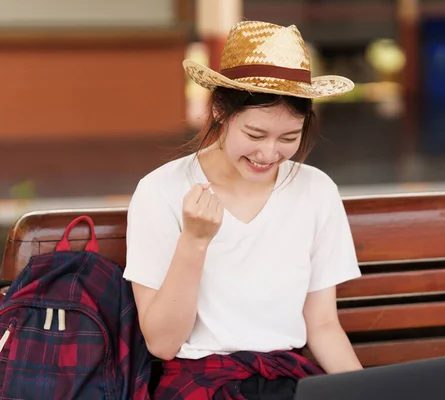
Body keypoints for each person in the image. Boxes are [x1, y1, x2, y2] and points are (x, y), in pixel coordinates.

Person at [123, 20, 363, 400]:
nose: (269, 154)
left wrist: (367, 392)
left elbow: (322, 326)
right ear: (220, 109)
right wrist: (195, 241)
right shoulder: (161, 191)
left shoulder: (316, 190)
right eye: (254, 135)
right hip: (203, 384)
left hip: (290, 379)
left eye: (288, 138)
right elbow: (163, 344)